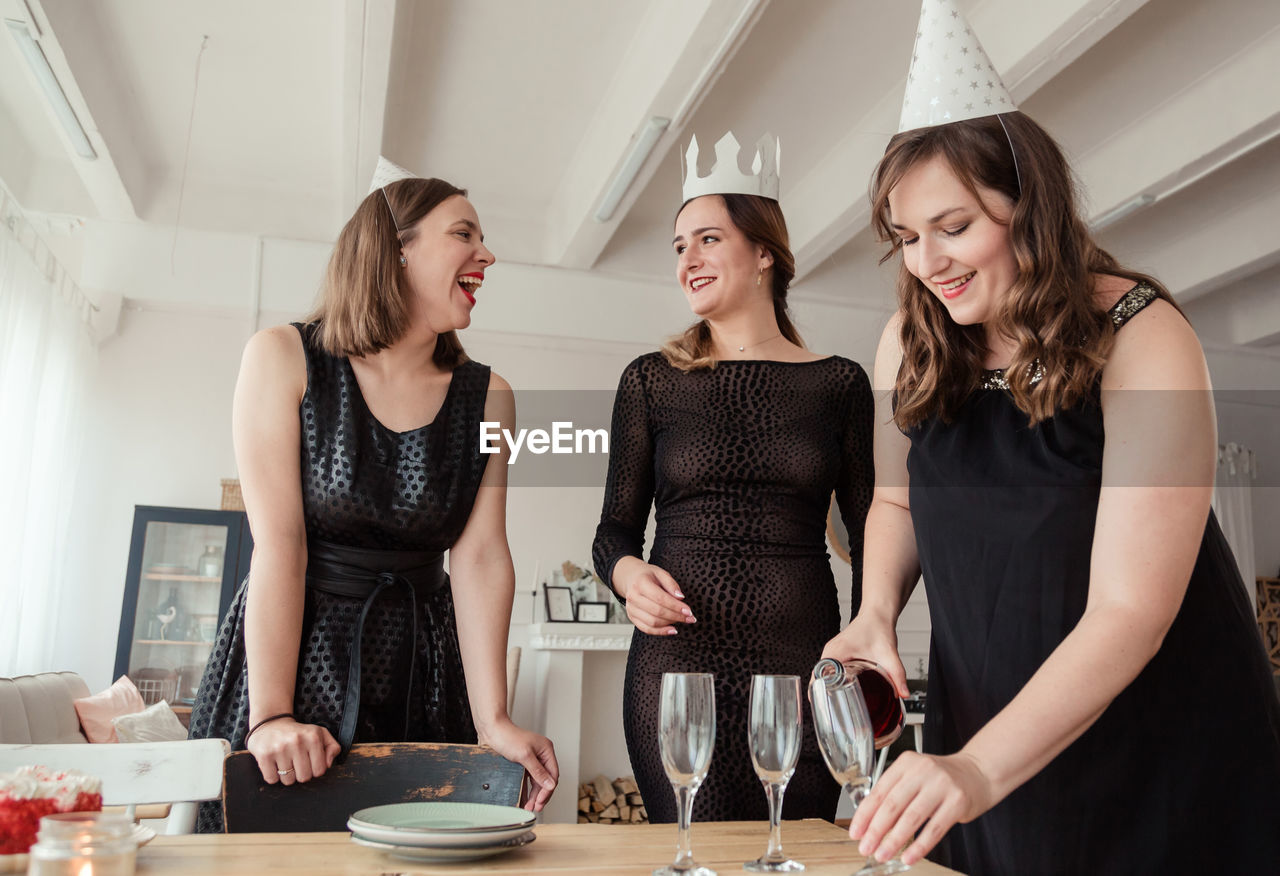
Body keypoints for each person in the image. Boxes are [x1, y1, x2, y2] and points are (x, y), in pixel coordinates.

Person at [822, 3, 1280, 871]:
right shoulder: (908, 341)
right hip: (986, 731)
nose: (928, 263)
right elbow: (892, 500)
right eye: (908, 238)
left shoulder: (1141, 335)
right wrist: (873, 615)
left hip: (1157, 750)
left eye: (954, 227)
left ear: (1029, 202)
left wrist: (975, 769)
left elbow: (1130, 610)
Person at [189, 158, 558, 832]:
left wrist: (494, 719)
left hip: (423, 664)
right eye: (465, 233)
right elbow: (280, 549)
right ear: (395, 250)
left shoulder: (491, 396)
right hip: (296, 660)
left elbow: (478, 558)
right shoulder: (282, 357)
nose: (487, 255)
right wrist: (271, 716)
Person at [593, 133, 875, 823]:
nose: (687, 259)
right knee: (698, 856)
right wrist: (629, 579)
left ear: (764, 253)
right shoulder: (650, 382)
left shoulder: (840, 384)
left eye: (708, 239)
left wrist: (867, 651)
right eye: (680, 245)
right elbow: (613, 533)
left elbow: (873, 535)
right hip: (678, 667)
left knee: (797, 857)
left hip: (808, 659)